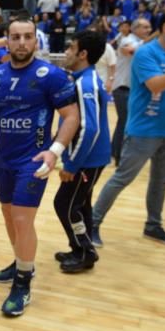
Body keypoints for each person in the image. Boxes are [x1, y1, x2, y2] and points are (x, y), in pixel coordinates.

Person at [0, 14, 80, 316]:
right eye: (15, 37)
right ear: (7, 40)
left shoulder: (51, 75)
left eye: (27, 36)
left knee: (21, 219)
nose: (21, 42)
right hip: (3, 159)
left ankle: (23, 280)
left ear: (36, 39)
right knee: (8, 214)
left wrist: (54, 151)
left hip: (34, 160)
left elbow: (71, 116)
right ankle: (20, 260)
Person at [91, 9, 165, 248]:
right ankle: (92, 223)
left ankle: (153, 225)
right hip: (143, 129)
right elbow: (157, 84)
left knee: (161, 180)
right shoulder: (147, 53)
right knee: (122, 177)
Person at [53, 30, 111, 273]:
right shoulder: (82, 78)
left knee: (65, 204)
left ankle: (85, 250)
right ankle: (79, 249)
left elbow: (90, 128)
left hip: (87, 160)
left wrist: (72, 165)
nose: (67, 51)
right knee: (81, 203)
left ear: (83, 54)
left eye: (71, 47)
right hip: (89, 158)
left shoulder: (85, 83)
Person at [111, 18, 150, 164]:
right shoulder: (127, 40)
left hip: (132, 89)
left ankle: (115, 152)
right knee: (126, 122)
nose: (148, 30)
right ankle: (120, 156)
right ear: (135, 29)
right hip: (122, 88)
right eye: (145, 27)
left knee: (124, 121)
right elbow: (131, 51)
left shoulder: (141, 43)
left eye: (149, 28)